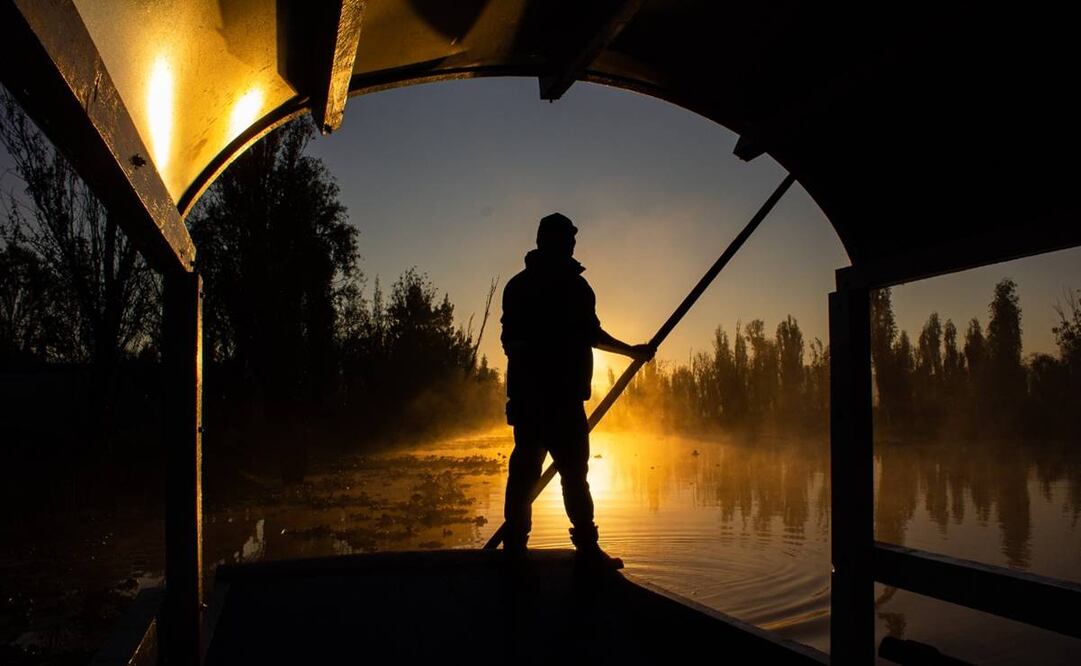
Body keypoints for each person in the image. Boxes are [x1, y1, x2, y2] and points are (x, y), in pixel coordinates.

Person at [500, 212, 654, 564]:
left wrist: (632, 352)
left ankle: (584, 547)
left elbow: (592, 334)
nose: (572, 244)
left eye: (572, 238)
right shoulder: (521, 287)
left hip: (565, 400)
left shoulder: (577, 287)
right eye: (567, 238)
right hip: (535, 401)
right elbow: (512, 340)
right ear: (547, 241)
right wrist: (547, 350)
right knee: (526, 473)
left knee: (573, 476)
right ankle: (515, 547)